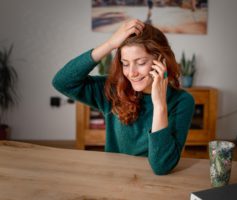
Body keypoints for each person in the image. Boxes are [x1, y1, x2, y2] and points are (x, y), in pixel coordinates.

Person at [52, 19, 195, 175]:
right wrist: (110, 44)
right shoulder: (113, 90)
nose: (131, 73)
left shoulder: (182, 102)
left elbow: (161, 166)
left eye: (140, 62)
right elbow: (62, 82)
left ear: (161, 61)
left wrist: (159, 105)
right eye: (125, 64)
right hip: (115, 177)